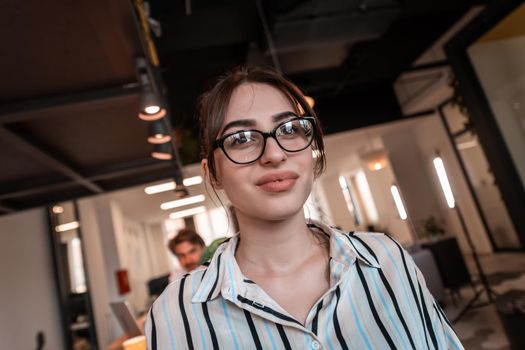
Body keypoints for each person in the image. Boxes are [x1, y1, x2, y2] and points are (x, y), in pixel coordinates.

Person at [146, 66, 463, 349]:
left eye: (289, 129)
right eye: (241, 138)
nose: (273, 154)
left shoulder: (386, 258)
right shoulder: (176, 313)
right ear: (212, 174)